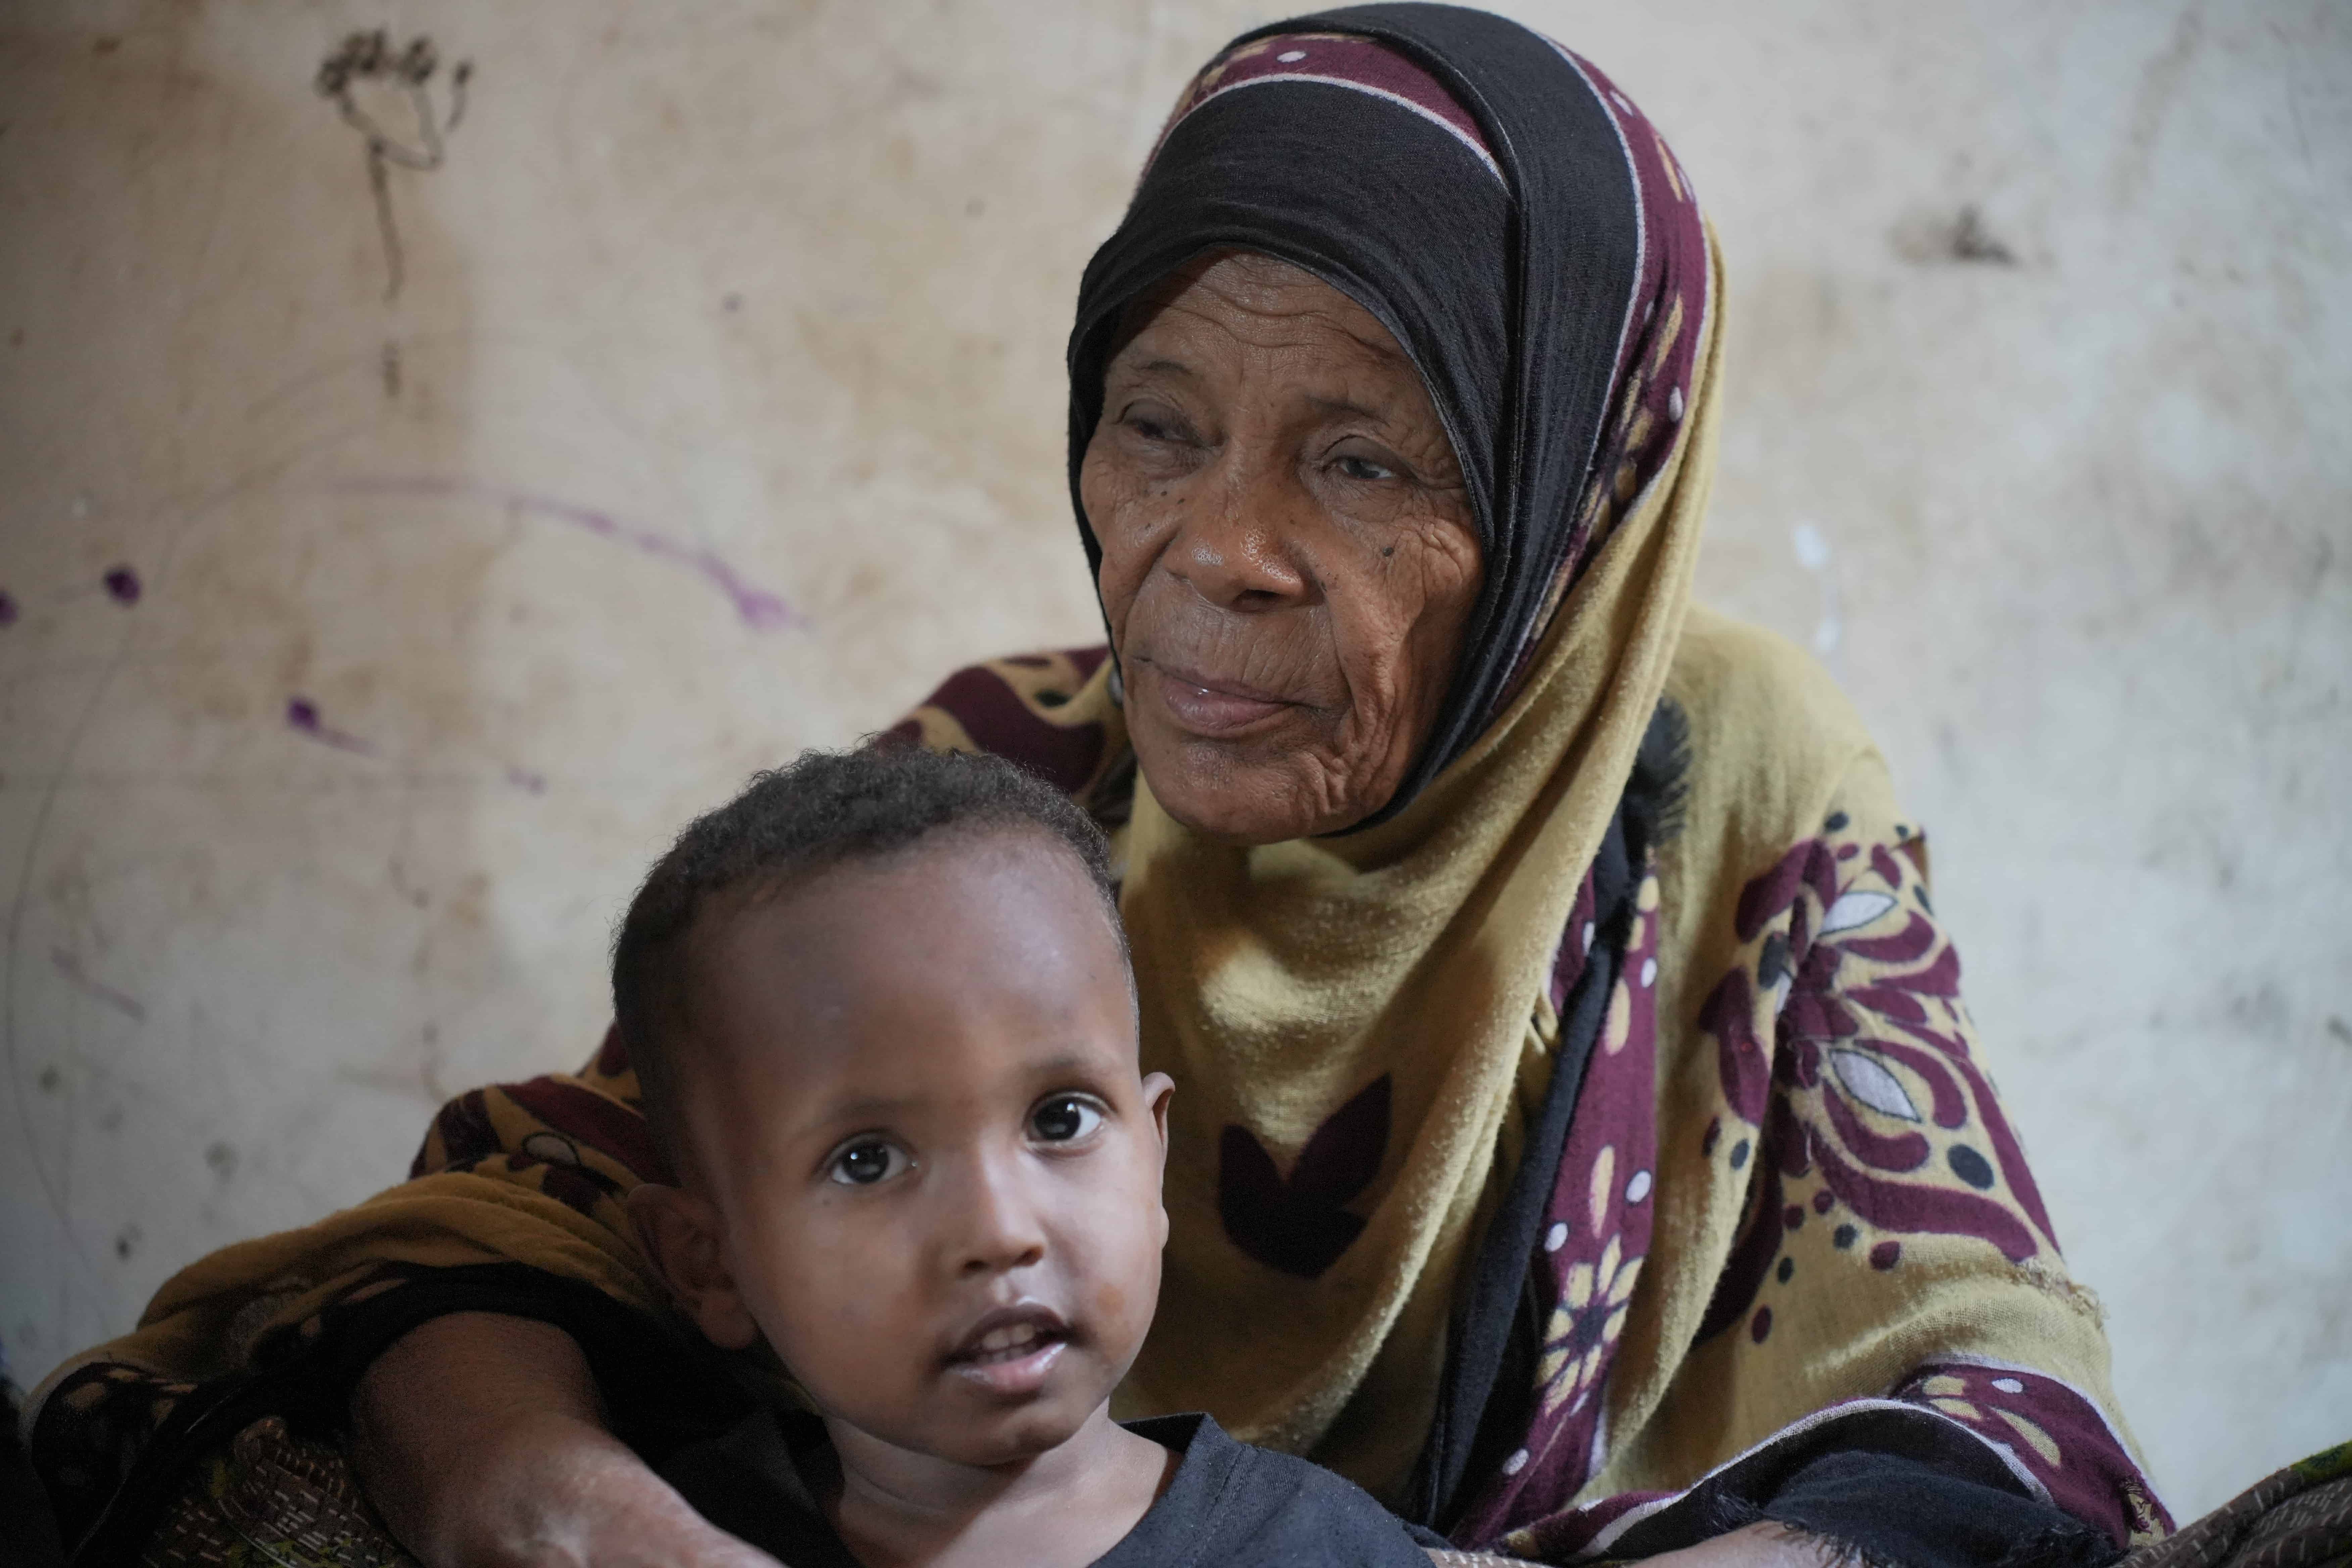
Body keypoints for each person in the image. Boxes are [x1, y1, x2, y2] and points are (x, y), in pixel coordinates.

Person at [31, 7, 2172, 1567]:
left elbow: (2000, 1401)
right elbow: (549, 1210)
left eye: (1362, 459)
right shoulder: (1008, 776)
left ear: (1564, 510)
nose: (1214, 552)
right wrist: (555, 1499)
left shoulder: (1712, 776)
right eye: (1158, 427)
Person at [612, 743, 1438, 1567]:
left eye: (1061, 1118)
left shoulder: (1316, 1547)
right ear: (709, 1265)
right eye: (867, 1161)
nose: (1001, 1231)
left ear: (1153, 1159)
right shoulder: (642, 1540)